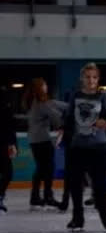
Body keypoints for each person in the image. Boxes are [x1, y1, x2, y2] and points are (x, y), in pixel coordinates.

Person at [64, 63, 106, 231]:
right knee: (76, 184)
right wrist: (63, 131)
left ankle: (105, 218)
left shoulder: (103, 95)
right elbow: (69, 116)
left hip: (98, 146)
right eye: (87, 77)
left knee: (100, 184)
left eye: (94, 77)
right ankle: (77, 219)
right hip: (77, 146)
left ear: (98, 79)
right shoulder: (75, 95)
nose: (91, 80)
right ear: (82, 78)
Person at [23, 78, 67, 210]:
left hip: (34, 140)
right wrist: (64, 124)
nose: (46, 87)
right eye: (44, 85)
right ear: (40, 87)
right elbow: (55, 116)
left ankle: (35, 198)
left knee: (41, 169)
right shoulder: (41, 103)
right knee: (48, 169)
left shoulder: (33, 101)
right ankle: (48, 196)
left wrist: (72, 105)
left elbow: (53, 104)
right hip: (42, 140)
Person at [0, 84, 16, 215]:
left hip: (3, 143)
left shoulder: (5, 100)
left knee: (8, 172)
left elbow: (9, 124)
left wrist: (12, 143)